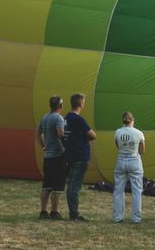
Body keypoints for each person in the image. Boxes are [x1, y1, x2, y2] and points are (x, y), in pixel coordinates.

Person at [63, 93, 96, 221]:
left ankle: (73, 212)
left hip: (70, 156)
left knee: (71, 185)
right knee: (74, 187)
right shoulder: (78, 119)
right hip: (80, 157)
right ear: (81, 104)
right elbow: (92, 135)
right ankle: (74, 214)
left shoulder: (67, 118)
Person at [112, 111, 145, 224]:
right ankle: (136, 218)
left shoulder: (118, 132)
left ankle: (117, 217)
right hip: (134, 160)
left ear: (123, 121)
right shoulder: (139, 133)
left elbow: (117, 146)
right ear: (132, 120)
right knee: (136, 190)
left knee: (118, 190)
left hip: (121, 160)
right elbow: (142, 150)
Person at [37, 95, 67, 219]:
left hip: (48, 156)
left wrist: (44, 146)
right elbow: (61, 134)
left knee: (47, 185)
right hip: (58, 156)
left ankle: (43, 211)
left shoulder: (44, 118)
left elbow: (38, 133)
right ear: (61, 106)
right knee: (58, 186)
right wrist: (66, 147)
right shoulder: (58, 118)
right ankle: (54, 212)